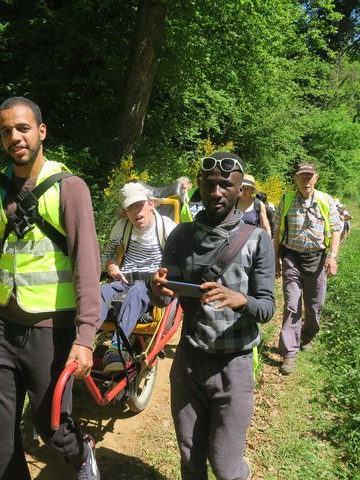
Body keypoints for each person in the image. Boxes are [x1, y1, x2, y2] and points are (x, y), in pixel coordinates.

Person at [0, 97, 102, 480]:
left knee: (53, 429)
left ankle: (82, 455)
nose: (15, 137)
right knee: (0, 434)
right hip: (1, 330)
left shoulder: (70, 189)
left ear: (41, 131)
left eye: (23, 128)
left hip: (52, 332)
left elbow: (87, 265)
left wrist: (86, 334)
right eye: (6, 131)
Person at [150, 152, 276, 480]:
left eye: (226, 185)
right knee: (191, 461)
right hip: (189, 361)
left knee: (225, 466)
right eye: (210, 184)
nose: (217, 191)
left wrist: (239, 300)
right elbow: (168, 295)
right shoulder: (181, 236)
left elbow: (266, 307)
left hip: (233, 365)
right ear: (200, 187)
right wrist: (159, 290)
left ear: (240, 189)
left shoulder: (257, 240)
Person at [98, 182, 177, 372]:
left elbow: (181, 261)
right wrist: (111, 265)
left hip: (155, 286)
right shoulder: (122, 227)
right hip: (126, 280)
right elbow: (107, 256)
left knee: (138, 290)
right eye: (130, 208)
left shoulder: (167, 227)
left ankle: (117, 347)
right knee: (98, 292)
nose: (136, 212)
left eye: (139, 205)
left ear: (150, 204)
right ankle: (79, 343)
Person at [273, 162, 342, 375]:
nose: (306, 180)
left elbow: (337, 229)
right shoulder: (286, 200)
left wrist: (333, 256)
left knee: (314, 306)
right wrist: (276, 258)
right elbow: (277, 231)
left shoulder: (325, 200)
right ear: (296, 179)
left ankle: (306, 336)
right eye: (302, 176)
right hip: (292, 258)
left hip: (318, 259)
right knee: (292, 304)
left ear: (316, 178)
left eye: (309, 176)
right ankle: (289, 353)